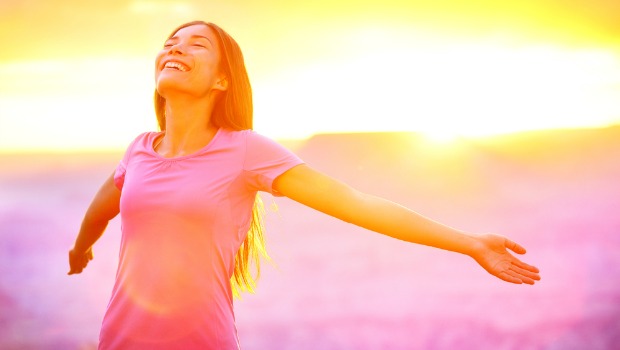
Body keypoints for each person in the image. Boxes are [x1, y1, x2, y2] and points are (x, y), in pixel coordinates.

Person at [68, 20, 540, 349]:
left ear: (222, 82)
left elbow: (355, 203)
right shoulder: (139, 149)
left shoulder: (246, 150)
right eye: (171, 41)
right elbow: (105, 204)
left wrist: (469, 243)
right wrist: (81, 248)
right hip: (120, 341)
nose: (175, 47)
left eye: (196, 44)